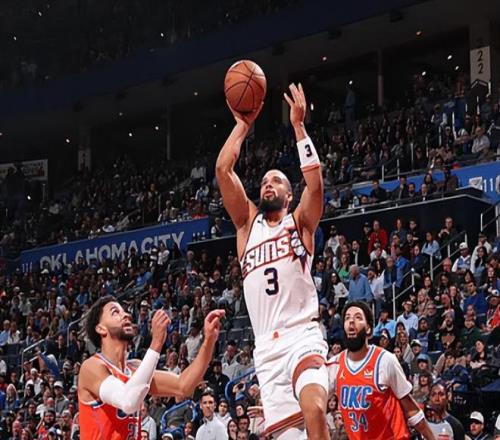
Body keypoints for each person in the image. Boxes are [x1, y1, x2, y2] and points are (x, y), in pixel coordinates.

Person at [216, 83, 329, 439]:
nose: (268, 185)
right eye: (265, 181)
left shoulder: (300, 222)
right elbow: (223, 171)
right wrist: (242, 126)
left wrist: (299, 128)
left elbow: (316, 186)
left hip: (302, 335)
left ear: (289, 194)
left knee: (315, 408)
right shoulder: (246, 226)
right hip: (266, 349)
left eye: (276, 181)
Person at [77, 295, 224, 440]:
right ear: (101, 328)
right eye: (115, 312)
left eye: (124, 311)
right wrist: (156, 343)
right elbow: (128, 402)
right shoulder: (91, 367)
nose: (126, 315)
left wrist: (209, 341)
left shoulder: (135, 368)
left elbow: (183, 385)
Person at [327, 301, 435, 439]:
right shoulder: (334, 365)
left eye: (358, 317)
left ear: (369, 329)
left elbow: (411, 409)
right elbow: (315, 405)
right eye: (347, 318)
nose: (351, 321)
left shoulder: (385, 360)